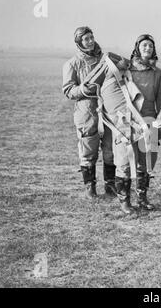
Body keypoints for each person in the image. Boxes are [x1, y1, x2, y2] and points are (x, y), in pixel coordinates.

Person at [62, 26, 116, 199]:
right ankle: (90, 188)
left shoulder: (105, 59)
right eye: (86, 39)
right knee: (87, 150)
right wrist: (83, 89)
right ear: (79, 42)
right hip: (86, 112)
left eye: (91, 37)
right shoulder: (72, 64)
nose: (90, 41)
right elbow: (68, 90)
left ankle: (111, 186)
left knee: (110, 148)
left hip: (108, 109)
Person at [125, 34, 161, 211]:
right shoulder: (126, 71)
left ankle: (142, 197)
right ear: (137, 47)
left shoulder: (159, 74)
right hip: (129, 120)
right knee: (127, 159)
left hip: (150, 119)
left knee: (147, 159)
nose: (147, 48)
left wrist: (159, 123)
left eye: (150, 45)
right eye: (144, 45)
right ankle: (125, 199)